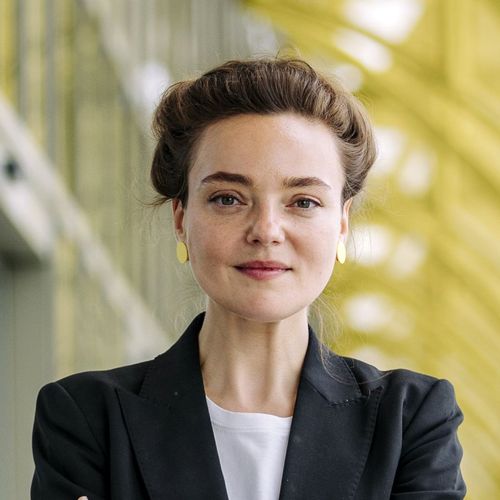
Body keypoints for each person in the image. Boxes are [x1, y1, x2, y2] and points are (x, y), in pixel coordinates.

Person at [31, 57, 466, 500]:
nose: (266, 231)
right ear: (181, 219)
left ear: (342, 223)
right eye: (228, 199)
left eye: (303, 202)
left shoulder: (410, 421)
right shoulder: (88, 418)